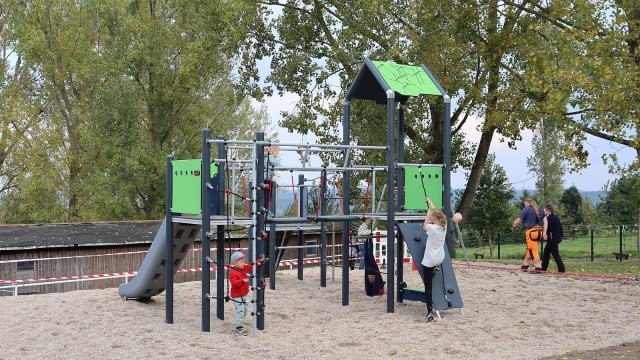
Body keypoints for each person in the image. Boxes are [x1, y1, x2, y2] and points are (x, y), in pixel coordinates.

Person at [228, 251, 266, 336]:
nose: (244, 263)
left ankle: (239, 324)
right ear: (235, 263)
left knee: (245, 310)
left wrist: (258, 261)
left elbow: (251, 266)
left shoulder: (244, 268)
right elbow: (234, 283)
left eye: (244, 261)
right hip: (237, 296)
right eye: (242, 262)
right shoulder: (233, 273)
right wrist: (242, 280)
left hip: (243, 294)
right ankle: (238, 327)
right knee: (241, 311)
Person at [421, 197, 447, 323]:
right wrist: (430, 201)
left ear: (433, 218)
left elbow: (424, 226)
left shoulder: (431, 228)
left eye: (431, 216)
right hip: (440, 258)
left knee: (428, 286)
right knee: (434, 265)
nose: (430, 217)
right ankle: (435, 268)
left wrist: (427, 215)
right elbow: (436, 211)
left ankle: (429, 311)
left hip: (430, 260)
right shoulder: (443, 226)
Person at [512, 196, 543, 271]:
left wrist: (513, 226)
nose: (524, 204)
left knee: (533, 249)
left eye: (524, 203)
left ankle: (538, 267)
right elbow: (545, 219)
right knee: (530, 248)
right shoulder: (539, 209)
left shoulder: (526, 209)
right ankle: (525, 266)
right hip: (539, 231)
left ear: (526, 202)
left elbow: (518, 220)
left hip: (531, 232)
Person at [541, 204, 565, 272]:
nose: (544, 212)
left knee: (555, 255)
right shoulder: (555, 217)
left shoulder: (549, 218)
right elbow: (560, 228)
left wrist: (546, 235)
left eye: (544, 210)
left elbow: (550, 229)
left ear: (548, 210)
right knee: (546, 252)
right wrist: (561, 237)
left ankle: (561, 270)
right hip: (556, 238)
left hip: (552, 239)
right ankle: (543, 269)